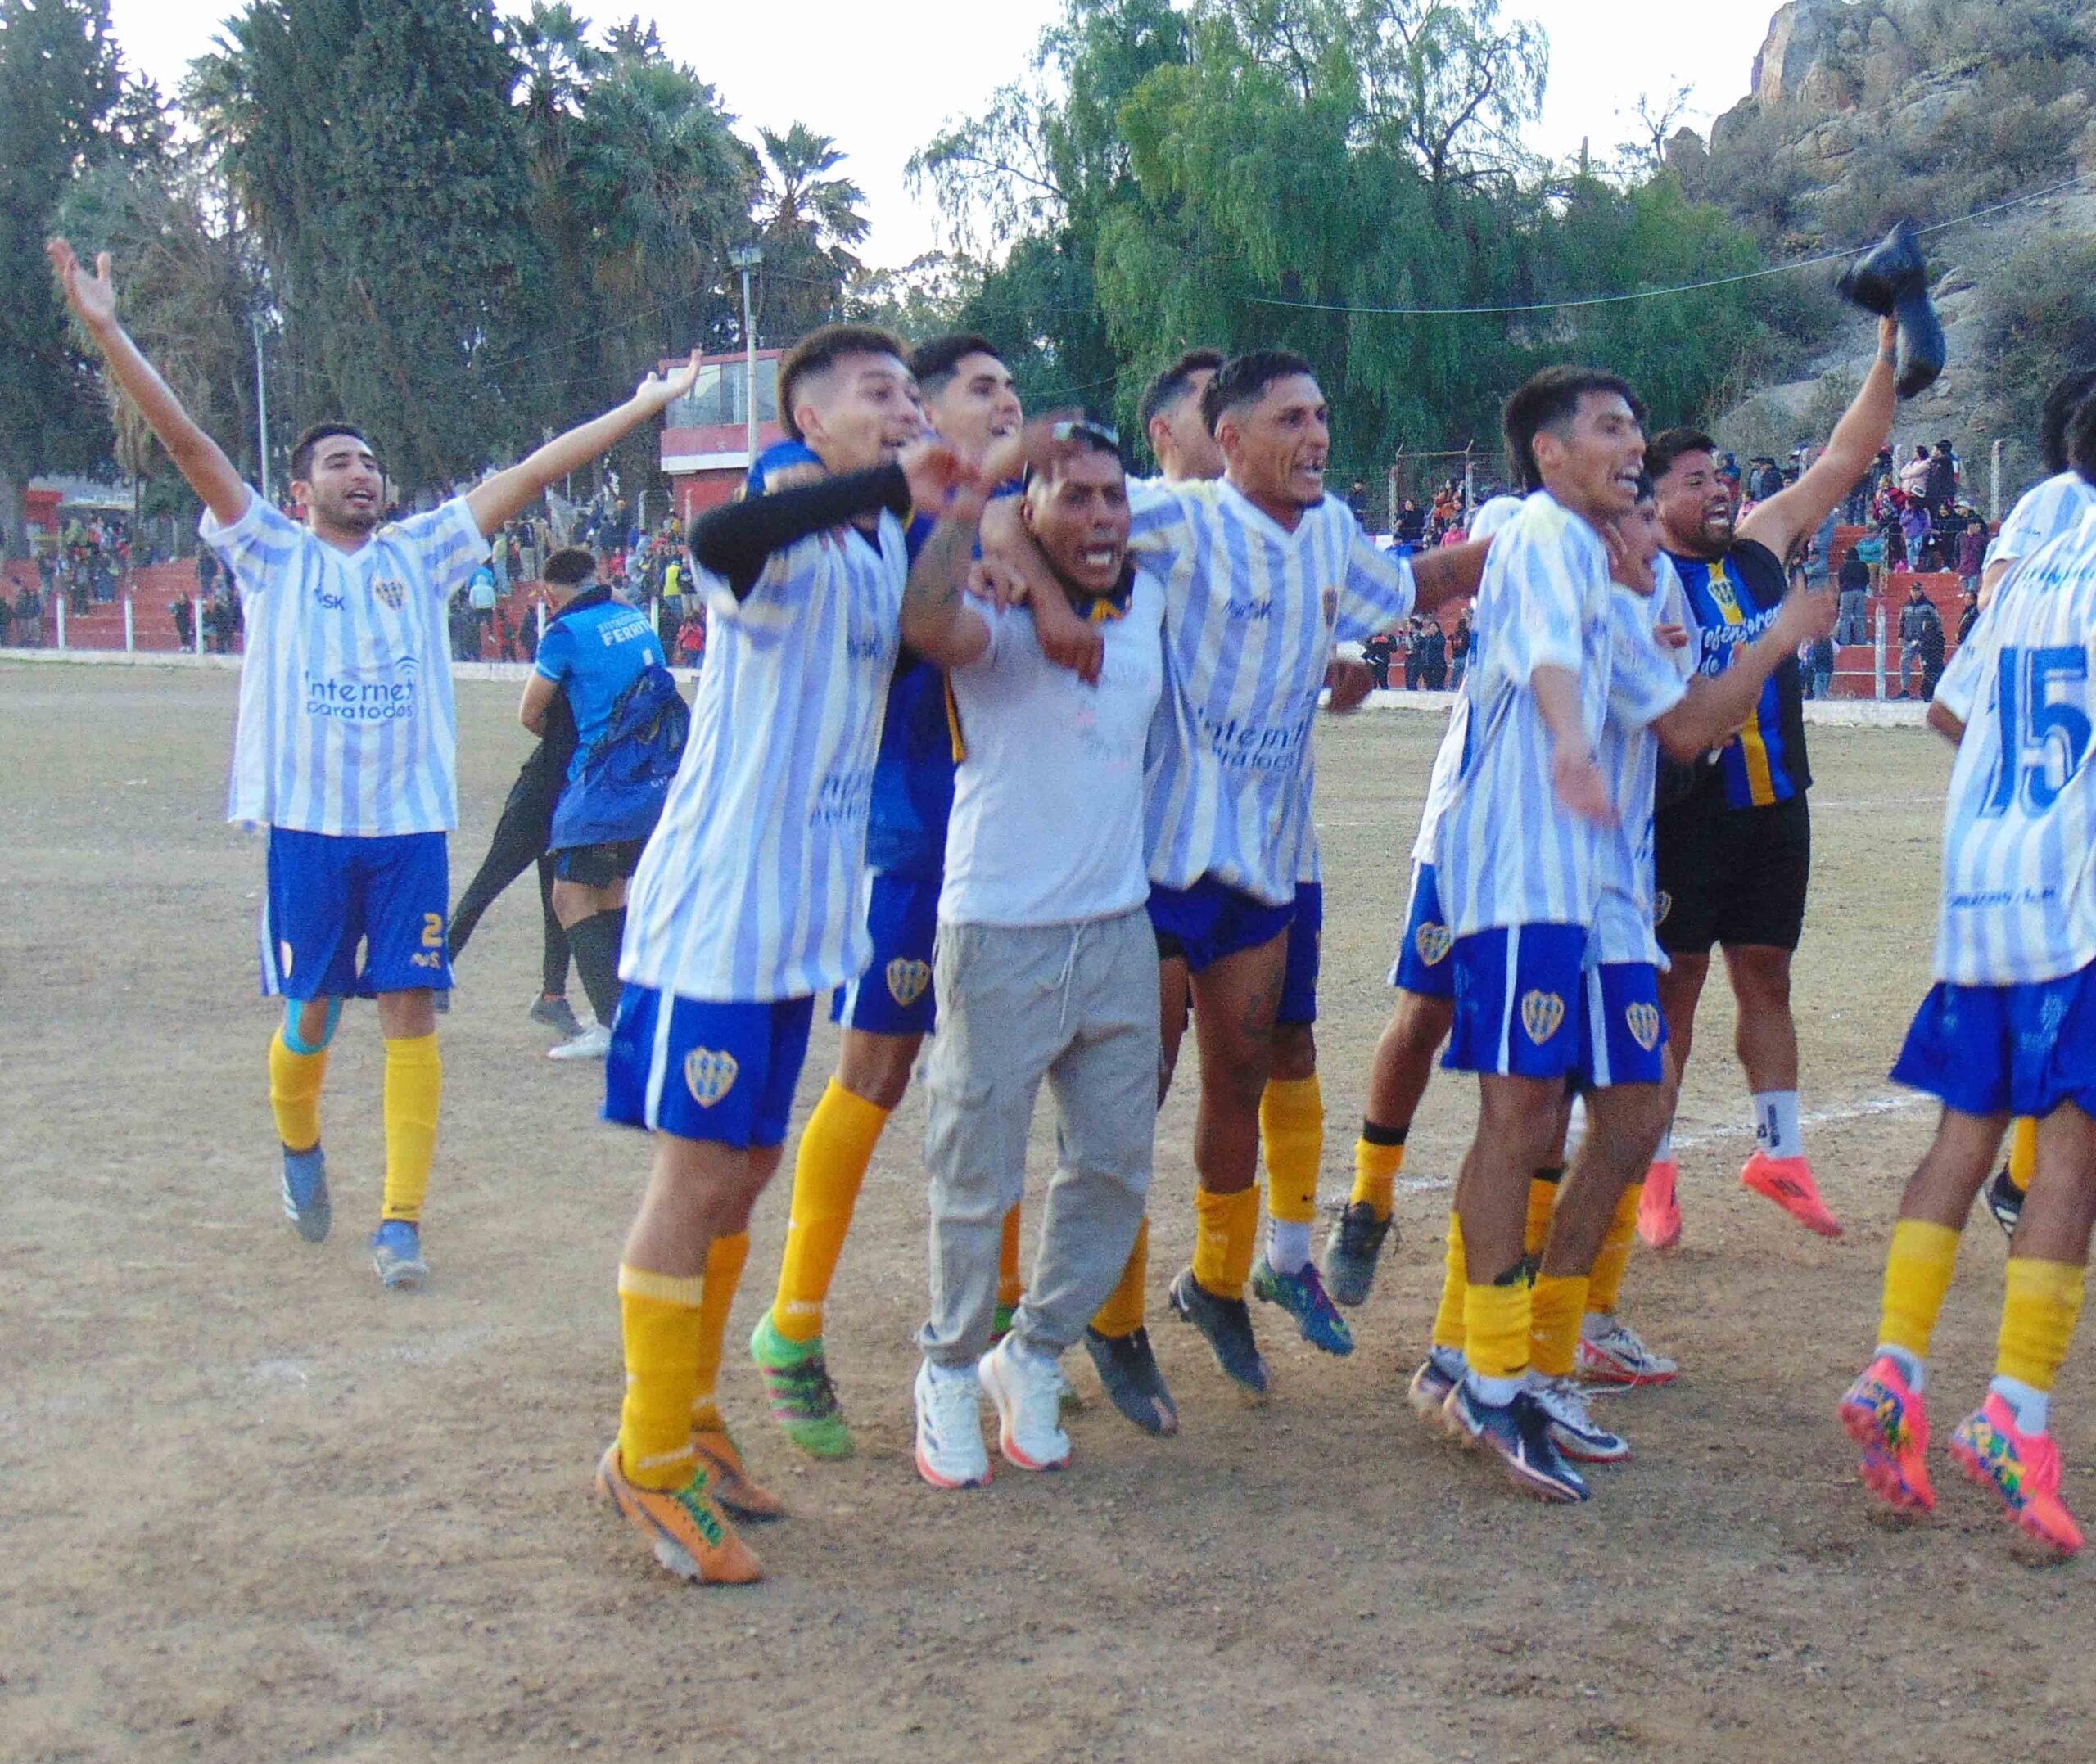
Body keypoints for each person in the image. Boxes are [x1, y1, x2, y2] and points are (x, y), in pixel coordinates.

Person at [48, 236, 701, 1293]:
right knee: (308, 1017)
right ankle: (299, 1144)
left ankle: (400, 1220)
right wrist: (108, 328)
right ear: (301, 489)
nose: (362, 473)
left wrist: (645, 402)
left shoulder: (425, 551)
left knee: (409, 1011)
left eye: (369, 461)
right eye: (339, 462)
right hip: (310, 831)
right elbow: (186, 442)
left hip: (406, 832)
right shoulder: (268, 551)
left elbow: (539, 470)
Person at [592, 323, 967, 1583]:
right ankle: (643, 1461)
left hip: (802, 914)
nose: (904, 406)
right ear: (810, 421)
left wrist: (957, 505)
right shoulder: (784, 501)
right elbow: (714, 547)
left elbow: (932, 633)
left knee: (747, 1168)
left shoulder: (873, 542)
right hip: (715, 911)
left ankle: (689, 1420)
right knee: (691, 1183)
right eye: (878, 392)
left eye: (912, 391)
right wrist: (885, 484)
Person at [1414, 463, 1836, 1485]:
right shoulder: (1530, 544)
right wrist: (1779, 637)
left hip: (1608, 890)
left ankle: (1532, 1359)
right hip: (1526, 876)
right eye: (1637, 496)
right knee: (1521, 1121)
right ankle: (1481, 1363)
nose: (1650, 522)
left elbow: (1687, 728)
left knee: (1637, 1115)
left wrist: (1755, 641)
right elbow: (1566, 667)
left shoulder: (1643, 597)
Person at [748, 332, 1037, 1462]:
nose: (1005, 404)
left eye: (1013, 389)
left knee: (1003, 1070)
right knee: (876, 1068)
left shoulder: (1016, 510)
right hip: (908, 829)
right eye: (982, 389)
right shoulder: (866, 501)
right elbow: (779, 478)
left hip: (1009, 837)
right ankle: (792, 1323)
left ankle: (1009, 1316)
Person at [1836, 454, 2096, 1559]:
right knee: (2072, 1159)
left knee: (1962, 1138)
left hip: (1988, 879)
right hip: (2082, 894)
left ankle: (1895, 1364)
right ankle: (2014, 1413)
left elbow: (1950, 710)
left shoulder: (2033, 549)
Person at [897, 417, 1164, 1487]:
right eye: (1074, 496)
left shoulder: (1152, 599)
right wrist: (993, 523)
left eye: (1113, 495)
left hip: (1119, 929)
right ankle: (949, 1368)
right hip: (999, 928)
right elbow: (925, 620)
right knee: (977, 1172)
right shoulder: (993, 609)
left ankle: (1036, 1347)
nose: (1100, 516)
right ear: (1034, 508)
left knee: (1113, 1165)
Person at [1639, 315, 1900, 1249]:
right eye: (1694, 481)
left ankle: (1777, 1154)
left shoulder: (1758, 546)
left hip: (1774, 806)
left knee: (1769, 978)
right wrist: (1776, 634)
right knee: (1675, 993)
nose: (1718, 491)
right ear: (1652, 497)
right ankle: (1653, 1171)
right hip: (1683, 816)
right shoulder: (1641, 578)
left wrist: (1881, 353)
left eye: (1722, 477)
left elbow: (1845, 454)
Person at [524, 546, 679, 1061]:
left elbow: (530, 714)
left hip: (604, 782)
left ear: (550, 593)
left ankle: (612, 1027)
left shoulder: (564, 634)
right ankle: (627, 1015)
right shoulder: (632, 617)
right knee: (611, 892)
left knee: (568, 896)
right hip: (655, 775)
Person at [446, 665, 584, 1041]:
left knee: (558, 904)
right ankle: (437, 969)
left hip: (566, 800)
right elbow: (530, 717)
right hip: (536, 799)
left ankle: (552, 995)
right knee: (486, 887)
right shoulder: (576, 678)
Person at [1897, 580, 1936, 699]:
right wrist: (1900, 635)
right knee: (1904, 663)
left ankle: (1927, 691)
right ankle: (1905, 690)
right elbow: (1902, 621)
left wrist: (1928, 637)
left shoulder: (1928, 606)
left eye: (1917, 590)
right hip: (1909, 640)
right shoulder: (1906, 606)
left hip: (1924, 640)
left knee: (1925, 666)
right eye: (1913, 590)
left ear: (1921, 591)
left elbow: (1934, 623)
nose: (1915, 593)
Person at [1836, 544, 1871, 645]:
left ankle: (1844, 641)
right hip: (1860, 591)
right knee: (1860, 617)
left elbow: (1840, 580)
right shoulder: (1863, 565)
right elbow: (1867, 579)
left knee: (1845, 617)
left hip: (1847, 592)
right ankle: (1861, 641)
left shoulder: (1844, 566)